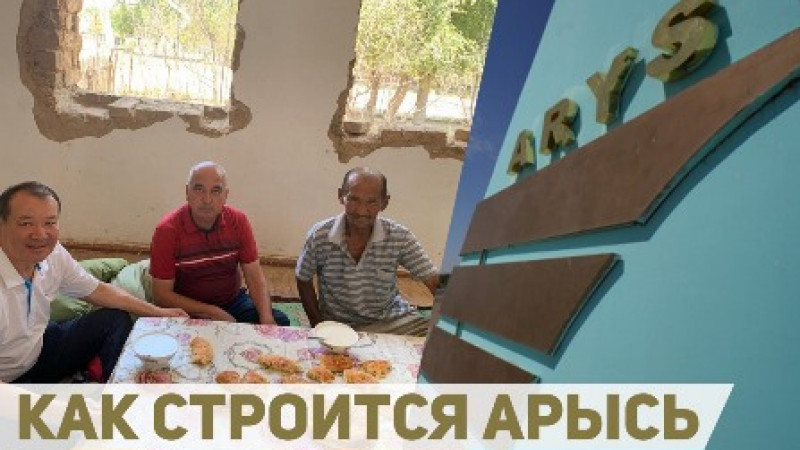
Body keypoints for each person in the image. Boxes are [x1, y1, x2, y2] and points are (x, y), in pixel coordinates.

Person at [0, 182, 187, 383]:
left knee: (114, 318)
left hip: (38, 350)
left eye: (50, 222)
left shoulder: (52, 254)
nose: (40, 234)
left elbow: (98, 291)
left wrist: (159, 312)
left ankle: (113, 386)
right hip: (8, 381)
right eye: (26, 223)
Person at [296, 167, 439, 337]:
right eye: (354, 199)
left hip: (393, 321)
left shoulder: (399, 236)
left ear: (384, 203)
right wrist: (317, 324)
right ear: (341, 196)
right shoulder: (320, 235)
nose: (361, 211)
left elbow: (433, 280)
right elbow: (303, 278)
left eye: (371, 202)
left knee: (442, 339)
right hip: (339, 325)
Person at [149, 161, 289, 326]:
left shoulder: (238, 221)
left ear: (226, 195)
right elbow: (161, 295)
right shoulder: (167, 230)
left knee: (279, 322)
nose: (207, 199)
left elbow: (254, 276)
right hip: (187, 309)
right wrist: (212, 312)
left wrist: (266, 319)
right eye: (199, 189)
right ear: (187, 192)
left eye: (216, 191)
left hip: (232, 303)